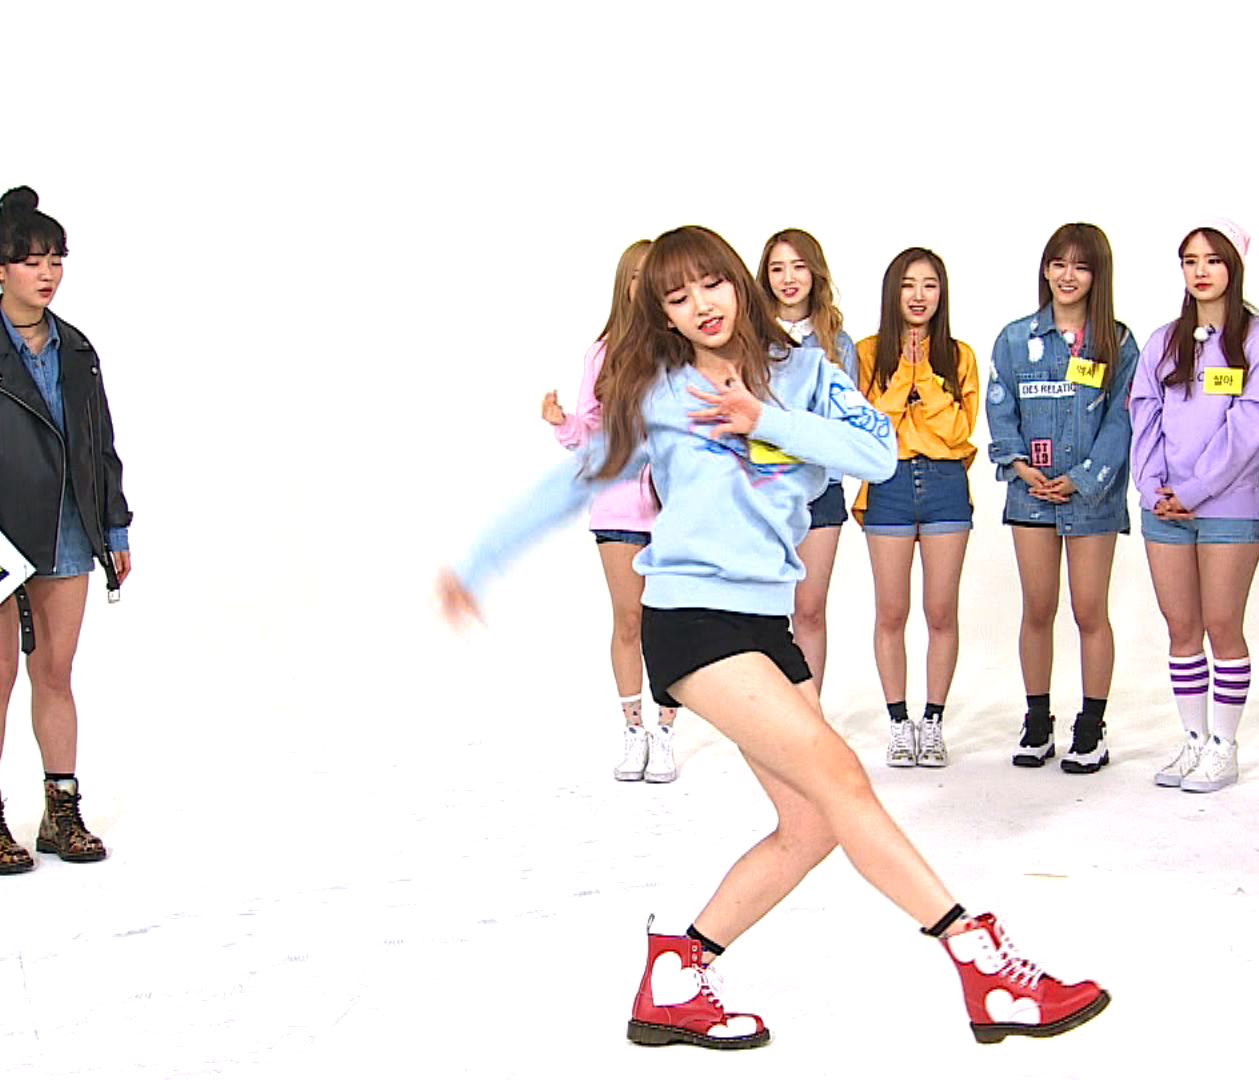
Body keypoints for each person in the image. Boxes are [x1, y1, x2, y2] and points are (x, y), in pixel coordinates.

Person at [439, 226, 1108, 1049]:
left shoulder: (804, 373)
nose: (700, 306)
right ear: (664, 315)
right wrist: (477, 562)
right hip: (690, 617)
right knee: (844, 778)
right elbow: (576, 478)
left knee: (813, 823)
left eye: (710, 284)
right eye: (677, 298)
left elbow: (878, 455)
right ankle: (983, 967)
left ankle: (678, 974)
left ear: (738, 283)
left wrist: (766, 419)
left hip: (766, 620)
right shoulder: (659, 393)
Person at [0, 187, 133, 873]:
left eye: (56, 260)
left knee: (56, 674)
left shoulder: (77, 349)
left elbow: (99, 444)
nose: (47, 274)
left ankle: (62, 813)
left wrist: (115, 527)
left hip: (68, 531)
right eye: (31, 261)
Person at [1130, 219, 1259, 794]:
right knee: (1182, 628)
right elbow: (1143, 414)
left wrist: (1193, 490)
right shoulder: (1162, 341)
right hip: (1165, 510)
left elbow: (1250, 426)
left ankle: (1225, 746)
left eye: (1213, 260)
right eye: (1190, 261)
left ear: (1234, 268)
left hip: (1228, 508)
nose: (1201, 271)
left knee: (1223, 625)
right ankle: (1193, 740)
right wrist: (1154, 489)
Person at [985, 223, 1139, 774]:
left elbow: (1124, 419)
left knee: (1089, 610)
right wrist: (1020, 465)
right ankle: (1037, 720)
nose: (1067, 276)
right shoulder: (1014, 339)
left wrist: (1083, 477)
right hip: (1030, 495)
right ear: (1045, 270)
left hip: (1092, 498)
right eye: (1058, 263)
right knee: (1038, 608)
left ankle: (1091, 726)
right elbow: (1000, 407)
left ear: (1098, 275)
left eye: (1080, 266)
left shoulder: (1117, 342)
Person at [542, 239, 679, 782]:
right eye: (637, 275)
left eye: (655, 275)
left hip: (676, 507)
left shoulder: (684, 347)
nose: (645, 285)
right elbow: (590, 432)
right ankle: (634, 730)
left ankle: (666, 731)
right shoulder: (602, 353)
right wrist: (563, 423)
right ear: (625, 284)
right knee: (629, 619)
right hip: (619, 507)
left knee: (669, 623)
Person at [854, 248, 981, 767]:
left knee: (940, 610)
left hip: (945, 482)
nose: (919, 295)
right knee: (891, 611)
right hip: (888, 483)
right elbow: (866, 426)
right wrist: (900, 378)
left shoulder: (959, 355)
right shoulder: (867, 353)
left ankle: (933, 722)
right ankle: (897, 722)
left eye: (930, 285)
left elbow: (958, 431)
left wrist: (921, 375)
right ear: (893, 292)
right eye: (909, 285)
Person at [756, 229, 857, 694]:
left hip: (820, 491)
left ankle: (810, 710)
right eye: (777, 268)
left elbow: (846, 426)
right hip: (763, 489)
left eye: (798, 267)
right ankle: (771, 714)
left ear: (815, 273)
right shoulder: (751, 339)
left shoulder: (838, 343)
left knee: (810, 609)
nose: (788, 278)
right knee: (764, 611)